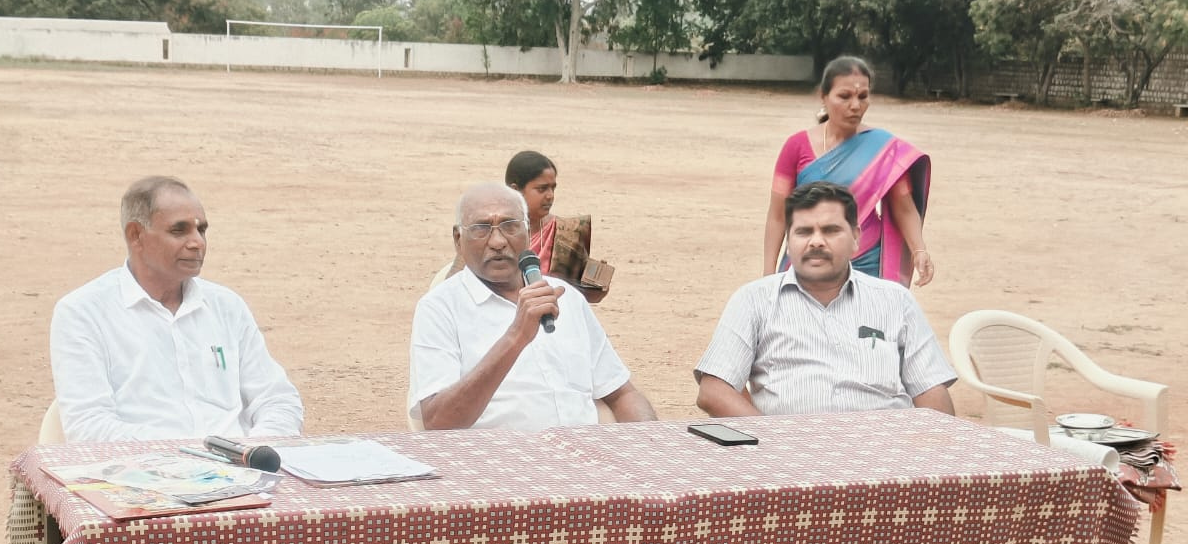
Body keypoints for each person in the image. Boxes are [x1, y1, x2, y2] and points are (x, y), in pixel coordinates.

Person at [50, 176, 304, 442]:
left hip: (239, 462)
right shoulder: (83, 313)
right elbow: (89, 427)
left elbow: (278, 399)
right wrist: (191, 452)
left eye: (201, 230)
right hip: (142, 465)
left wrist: (255, 449)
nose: (197, 243)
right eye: (179, 231)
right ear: (136, 235)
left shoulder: (226, 307)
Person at [409, 182, 656, 432]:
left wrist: (651, 440)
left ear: (528, 232)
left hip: (581, 451)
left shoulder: (567, 297)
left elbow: (622, 394)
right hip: (499, 454)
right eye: (481, 228)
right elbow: (438, 421)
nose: (498, 241)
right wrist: (517, 336)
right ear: (458, 239)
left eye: (510, 226)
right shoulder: (440, 308)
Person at [696, 181, 955, 417]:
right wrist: (772, 441)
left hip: (885, 446)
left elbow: (931, 390)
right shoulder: (754, 300)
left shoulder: (896, 301)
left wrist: (938, 446)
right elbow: (714, 390)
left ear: (856, 238)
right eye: (803, 232)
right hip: (790, 447)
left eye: (831, 231)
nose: (816, 242)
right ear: (789, 240)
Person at [762, 56, 934, 288]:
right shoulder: (797, 146)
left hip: (867, 264)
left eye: (862, 96)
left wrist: (919, 250)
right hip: (809, 262)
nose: (855, 105)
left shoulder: (883, 149)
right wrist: (769, 275)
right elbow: (777, 215)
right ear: (823, 96)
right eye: (845, 96)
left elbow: (904, 207)